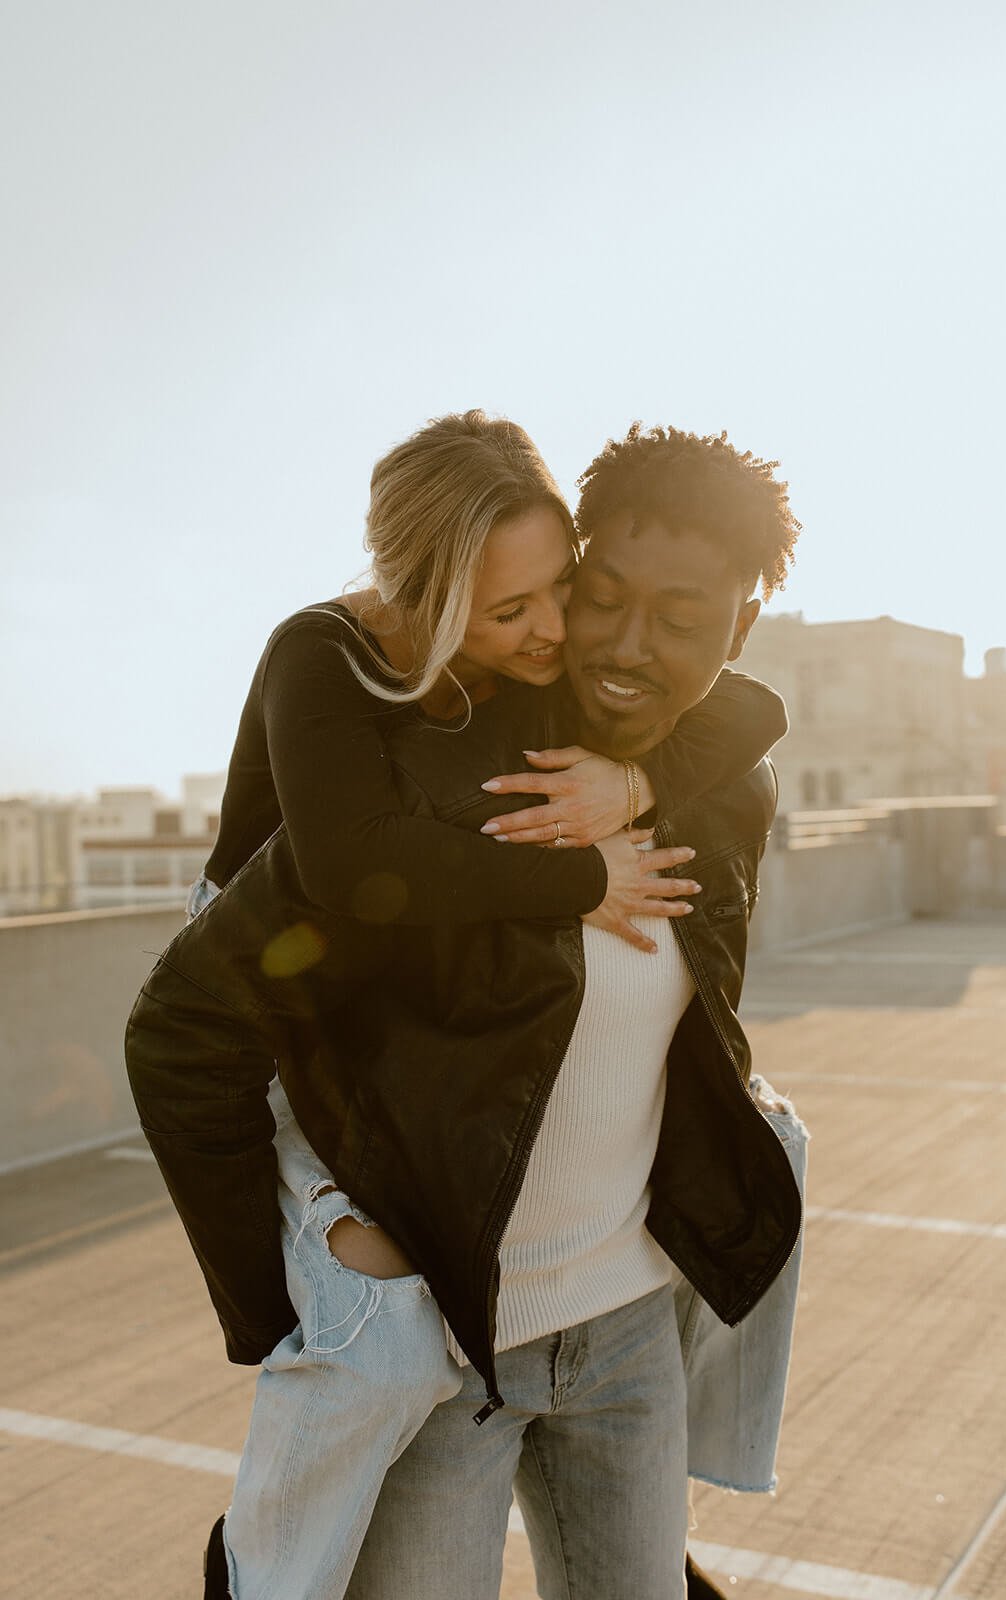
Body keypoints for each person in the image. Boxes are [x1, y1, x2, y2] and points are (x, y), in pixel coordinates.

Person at [131, 412, 790, 1599]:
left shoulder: (721, 785)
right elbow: (183, 1027)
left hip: (629, 1333)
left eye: (684, 622)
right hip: (446, 1343)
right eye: (596, 597)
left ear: (740, 631)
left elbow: (749, 724)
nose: (615, 644)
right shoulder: (416, 783)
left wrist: (640, 778)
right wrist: (287, 1310)